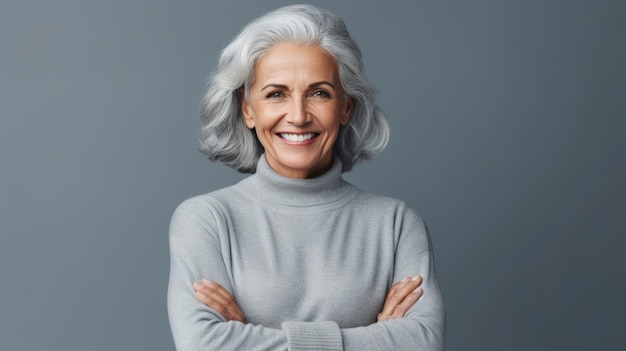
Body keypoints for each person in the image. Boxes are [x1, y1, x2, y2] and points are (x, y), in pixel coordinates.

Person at [167, 4, 445, 350]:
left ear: (346, 107)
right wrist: (371, 339)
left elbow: (423, 343)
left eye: (319, 93)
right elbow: (203, 345)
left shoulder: (395, 224)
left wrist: (247, 333)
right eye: (276, 94)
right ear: (248, 109)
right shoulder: (207, 220)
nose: (298, 116)